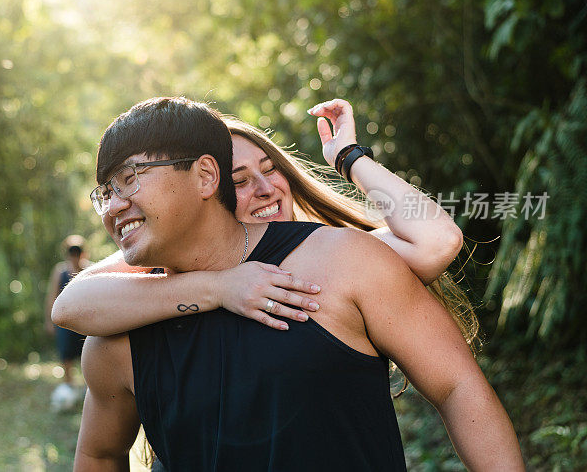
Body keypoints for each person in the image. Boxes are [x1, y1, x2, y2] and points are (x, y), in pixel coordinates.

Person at [64, 97, 524, 470]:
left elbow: (457, 385)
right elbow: (98, 449)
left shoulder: (345, 260)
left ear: (204, 177)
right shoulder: (119, 334)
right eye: (106, 192)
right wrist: (218, 287)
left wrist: (349, 156)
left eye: (129, 180)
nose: (112, 207)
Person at [52, 99, 475, 346]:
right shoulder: (170, 268)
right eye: (238, 180)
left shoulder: (336, 256)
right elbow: (71, 304)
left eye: (270, 168)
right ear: (207, 186)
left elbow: (436, 241)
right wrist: (217, 289)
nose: (265, 187)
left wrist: (347, 156)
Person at [44, 235, 91, 393]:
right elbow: (52, 296)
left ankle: (88, 391)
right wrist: (50, 321)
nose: (75, 256)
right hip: (65, 322)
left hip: (85, 322)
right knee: (66, 357)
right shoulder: (60, 271)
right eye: (72, 252)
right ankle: (68, 390)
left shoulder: (90, 269)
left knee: (88, 356)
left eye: (77, 252)